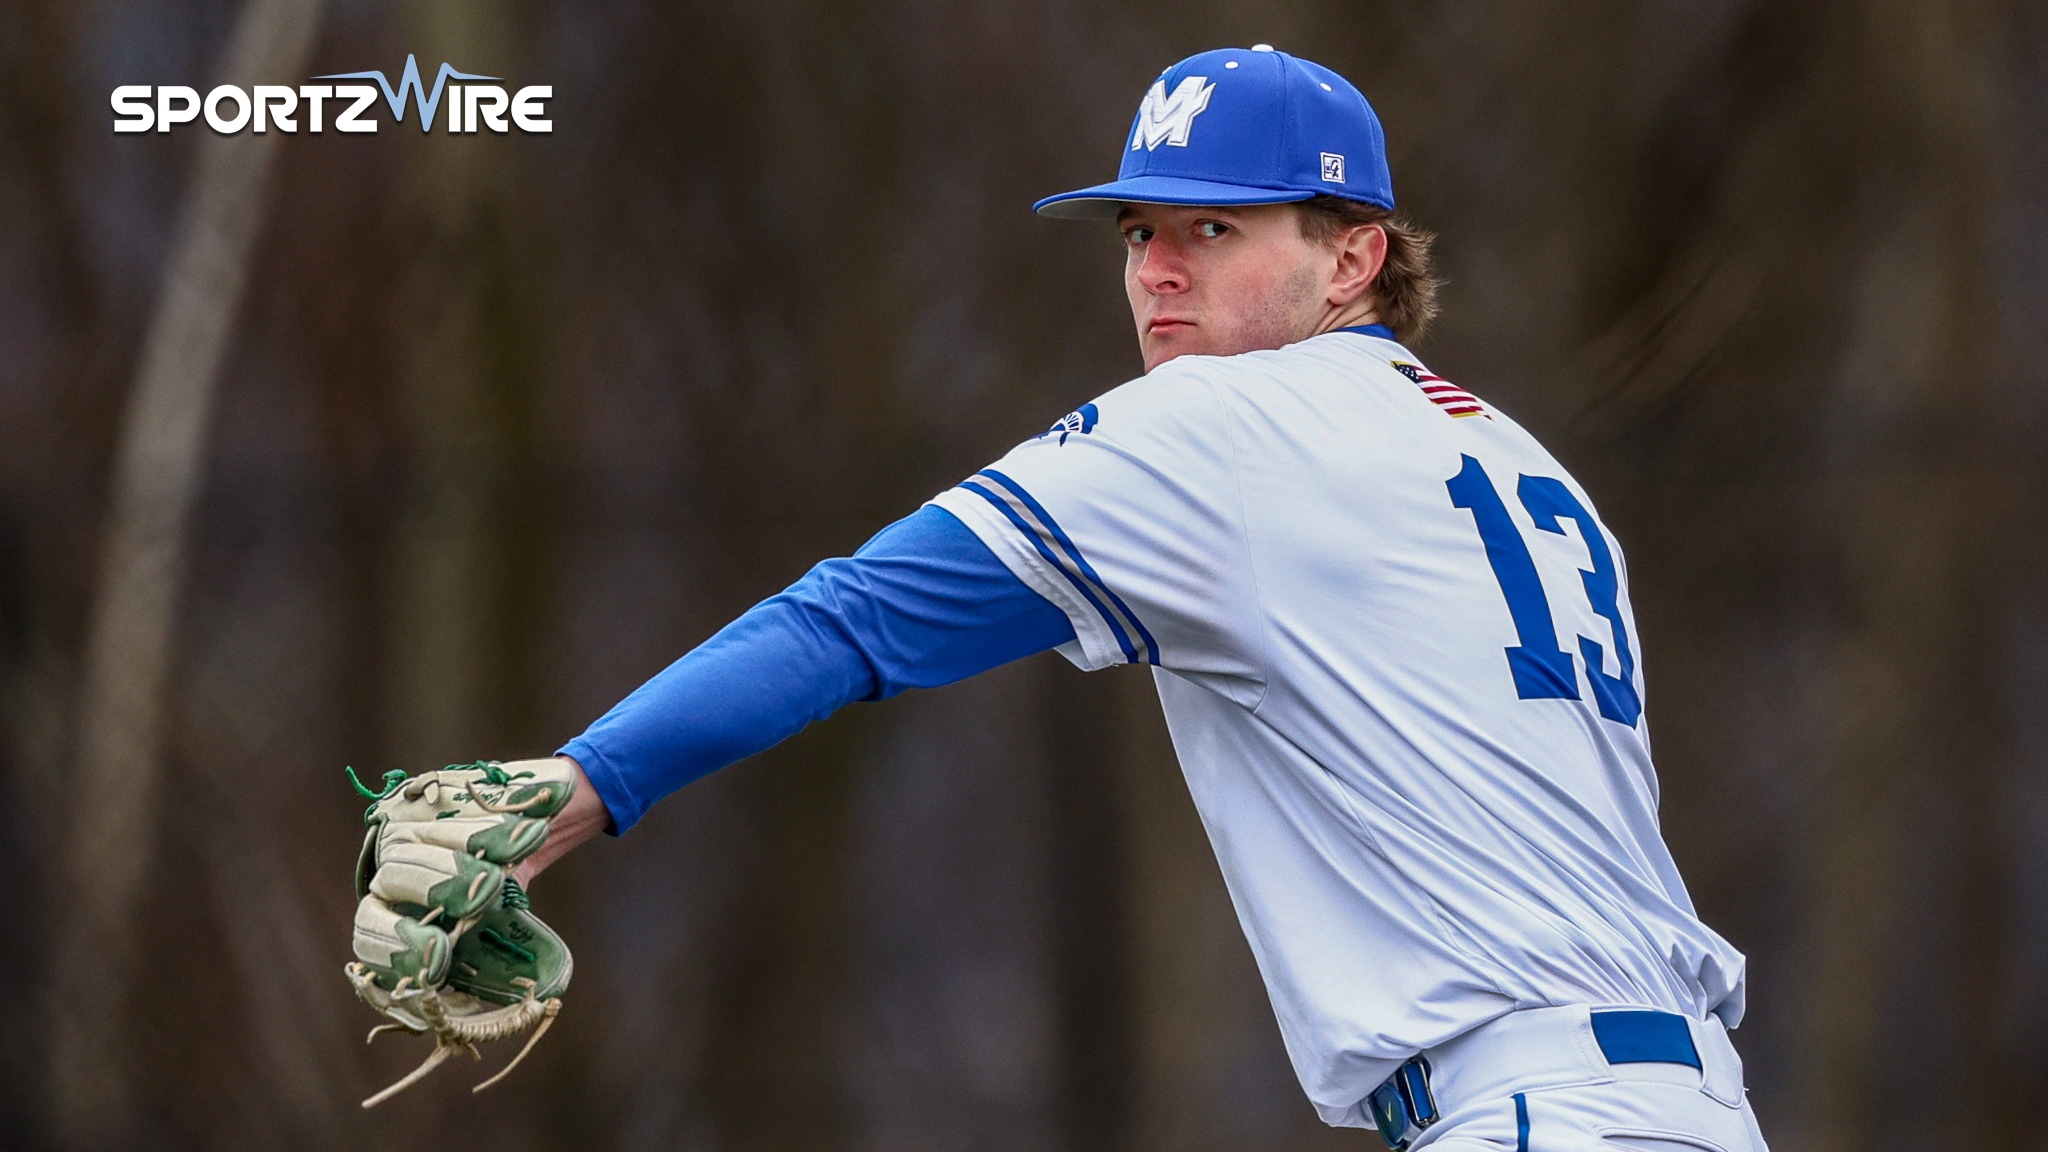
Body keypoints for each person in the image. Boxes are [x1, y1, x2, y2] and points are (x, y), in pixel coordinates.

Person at [510, 45, 1765, 1151]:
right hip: (1681, 1100)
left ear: (1353, 256)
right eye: (1135, 233)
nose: (1158, 270)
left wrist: (574, 787)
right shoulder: (1516, 459)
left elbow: (852, 618)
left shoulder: (1226, 422)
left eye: (1211, 229)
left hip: (1537, 1111)